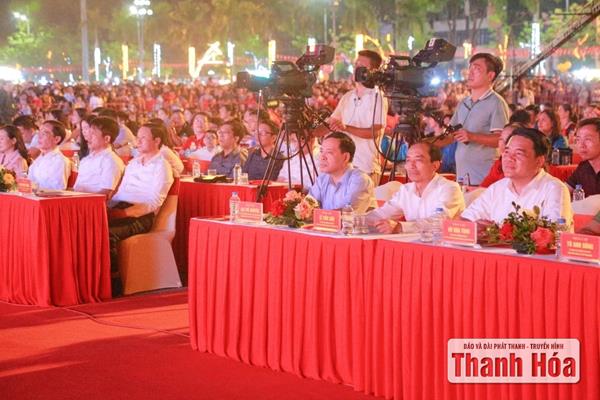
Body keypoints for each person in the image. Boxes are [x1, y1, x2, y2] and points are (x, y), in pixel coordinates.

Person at [107, 123, 174, 294]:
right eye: (138, 137)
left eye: (143, 138)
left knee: (107, 233)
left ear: (156, 141)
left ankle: (113, 281)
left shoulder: (162, 166)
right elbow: (120, 193)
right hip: (121, 206)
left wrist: (124, 213)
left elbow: (154, 202)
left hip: (141, 215)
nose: (138, 141)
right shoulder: (133, 164)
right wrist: (107, 209)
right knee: (90, 226)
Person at [461, 127, 572, 229]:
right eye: (507, 152)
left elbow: (554, 233)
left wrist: (497, 232)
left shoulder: (554, 189)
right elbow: (464, 221)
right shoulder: (497, 188)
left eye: (518, 153)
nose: (509, 158)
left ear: (539, 161)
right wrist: (475, 226)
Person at [313, 50, 388, 180]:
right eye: (355, 65)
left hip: (365, 168)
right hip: (343, 167)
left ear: (373, 71)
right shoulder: (348, 96)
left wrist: (346, 128)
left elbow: (375, 132)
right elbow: (331, 124)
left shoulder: (378, 97)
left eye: (361, 66)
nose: (356, 69)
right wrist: (311, 132)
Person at [440, 53, 509, 185]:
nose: (470, 73)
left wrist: (472, 136)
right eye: (470, 68)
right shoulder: (464, 103)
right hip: (463, 178)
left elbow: (501, 140)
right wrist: (427, 142)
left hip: (484, 180)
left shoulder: (496, 103)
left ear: (490, 75)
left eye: (476, 69)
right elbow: (450, 136)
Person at [367, 142, 464, 233]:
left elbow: (439, 221)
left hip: (445, 243)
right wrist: (360, 220)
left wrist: (401, 227)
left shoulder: (449, 188)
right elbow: (382, 213)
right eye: (408, 160)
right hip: (413, 242)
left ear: (435, 165)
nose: (411, 166)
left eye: (418, 160)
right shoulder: (406, 190)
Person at [308, 132, 374, 213]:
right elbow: (308, 206)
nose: (322, 157)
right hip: (324, 221)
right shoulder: (322, 178)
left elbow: (346, 213)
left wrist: (314, 214)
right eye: (321, 151)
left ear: (345, 157)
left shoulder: (360, 179)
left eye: (329, 152)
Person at [73, 116, 125, 198]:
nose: (88, 137)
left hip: (91, 203)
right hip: (76, 200)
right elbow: (76, 188)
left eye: (93, 134)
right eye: (89, 132)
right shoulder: (86, 160)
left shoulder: (111, 161)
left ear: (106, 139)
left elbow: (105, 194)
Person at [28, 120, 71, 190]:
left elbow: (58, 189)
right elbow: (29, 182)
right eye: (39, 132)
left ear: (56, 139)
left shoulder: (60, 161)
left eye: (44, 133)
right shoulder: (38, 159)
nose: (39, 136)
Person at [479, 123, 521, 188]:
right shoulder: (498, 164)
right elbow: (484, 186)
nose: (503, 143)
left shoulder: (518, 164)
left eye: (508, 139)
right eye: (501, 139)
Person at [566, 118, 600, 196]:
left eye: (587, 139)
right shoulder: (583, 167)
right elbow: (564, 190)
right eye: (578, 139)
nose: (581, 145)